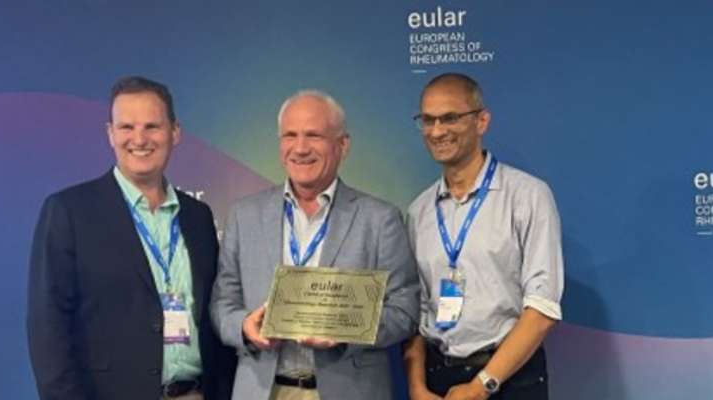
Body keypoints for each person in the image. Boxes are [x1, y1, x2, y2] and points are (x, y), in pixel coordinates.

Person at [27, 76, 236, 400]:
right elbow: (48, 331)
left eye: (152, 126)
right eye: (126, 127)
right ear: (110, 134)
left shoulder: (198, 216)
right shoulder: (70, 212)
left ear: (175, 132)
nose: (139, 139)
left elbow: (213, 317)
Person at [210, 90, 419, 400]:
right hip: (263, 390)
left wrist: (346, 330)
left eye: (314, 135)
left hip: (350, 390)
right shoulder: (245, 214)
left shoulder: (380, 218)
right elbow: (222, 302)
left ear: (342, 145)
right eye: (290, 135)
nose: (300, 148)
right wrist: (244, 327)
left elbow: (405, 310)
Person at [403, 73, 564, 400]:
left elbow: (543, 308)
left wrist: (483, 385)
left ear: (482, 121)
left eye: (450, 118)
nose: (437, 131)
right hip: (439, 381)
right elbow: (414, 312)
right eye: (428, 120)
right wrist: (417, 387)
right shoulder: (418, 211)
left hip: (510, 380)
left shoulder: (527, 196)